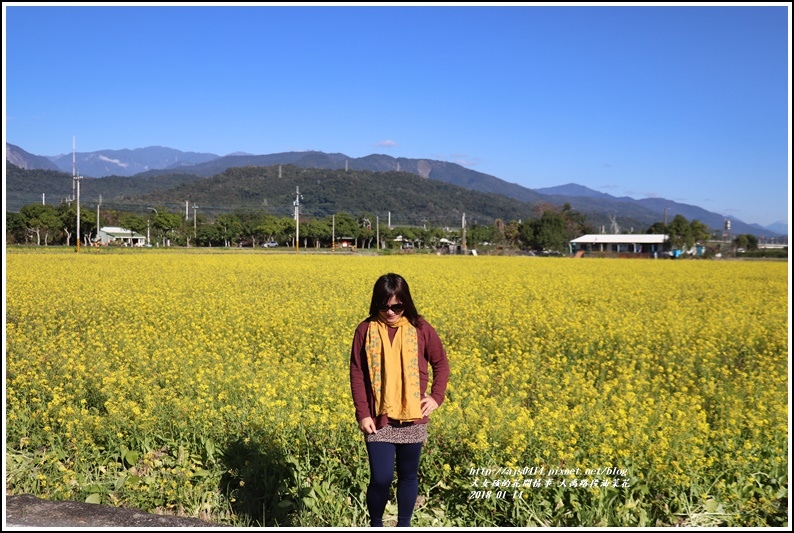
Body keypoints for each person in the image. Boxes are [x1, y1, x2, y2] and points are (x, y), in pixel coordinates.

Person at [350, 273, 450, 527]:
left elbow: (441, 363)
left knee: (407, 476)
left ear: (406, 302)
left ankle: (404, 525)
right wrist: (362, 412)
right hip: (378, 418)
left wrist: (436, 397)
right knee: (381, 478)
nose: (391, 311)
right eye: (384, 306)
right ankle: (376, 524)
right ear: (376, 304)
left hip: (413, 417)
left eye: (397, 306)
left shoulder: (421, 328)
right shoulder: (365, 329)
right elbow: (357, 373)